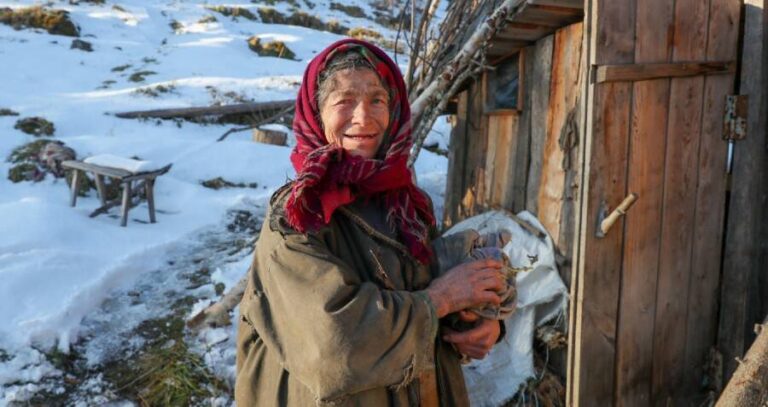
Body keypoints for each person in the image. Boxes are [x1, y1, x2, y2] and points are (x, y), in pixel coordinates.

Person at [236, 38, 506, 406]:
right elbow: (334, 346)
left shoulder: (407, 203)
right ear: (315, 112)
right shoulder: (299, 216)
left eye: (377, 100)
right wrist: (442, 299)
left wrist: (478, 323)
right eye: (344, 100)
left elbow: (424, 288)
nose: (363, 118)